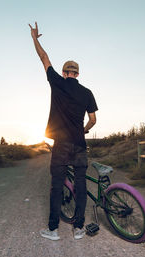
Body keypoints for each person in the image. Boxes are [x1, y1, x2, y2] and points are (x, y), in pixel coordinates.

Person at [29, 22, 98, 241]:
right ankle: (79, 228)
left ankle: (53, 230)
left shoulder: (57, 82)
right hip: (79, 144)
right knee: (80, 185)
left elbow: (44, 57)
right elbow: (93, 120)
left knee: (56, 186)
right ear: (77, 74)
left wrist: (35, 38)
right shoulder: (87, 92)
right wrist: (84, 130)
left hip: (61, 144)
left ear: (64, 72)